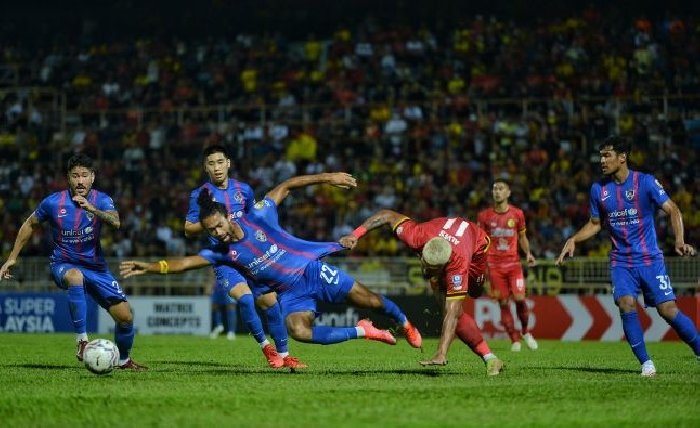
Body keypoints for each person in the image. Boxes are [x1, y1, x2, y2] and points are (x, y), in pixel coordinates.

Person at [121, 174, 423, 353]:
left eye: (218, 227)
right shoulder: (222, 253)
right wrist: (149, 266)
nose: (217, 233)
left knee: (370, 299)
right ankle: (364, 331)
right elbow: (185, 263)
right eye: (211, 231)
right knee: (300, 333)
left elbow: (287, 185)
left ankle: (405, 323)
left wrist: (328, 177)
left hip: (311, 271)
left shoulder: (259, 216)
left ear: (228, 217)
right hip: (290, 294)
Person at [556, 135, 699, 377]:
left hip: (650, 260)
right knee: (626, 303)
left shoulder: (646, 182)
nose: (602, 160)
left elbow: (673, 209)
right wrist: (573, 239)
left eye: (607, 155)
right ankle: (646, 363)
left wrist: (679, 240)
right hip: (621, 261)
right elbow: (595, 223)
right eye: (601, 156)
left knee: (667, 310)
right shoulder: (598, 189)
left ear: (622, 157)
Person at [0, 154, 146, 370]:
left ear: (92, 177)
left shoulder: (101, 199)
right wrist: (11, 258)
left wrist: (92, 210)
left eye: (85, 175)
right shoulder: (52, 202)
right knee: (75, 275)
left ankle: (123, 360)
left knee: (125, 318)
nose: (80, 181)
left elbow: (116, 222)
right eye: (75, 176)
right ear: (68, 178)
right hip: (63, 263)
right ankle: (82, 341)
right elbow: (29, 224)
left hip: (96, 267)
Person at [341, 210, 505, 376]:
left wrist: (441, 352)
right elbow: (386, 215)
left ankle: (486, 355)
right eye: (424, 262)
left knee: (473, 294)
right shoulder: (416, 236)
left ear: (444, 267)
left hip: (477, 246)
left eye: (431, 269)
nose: (425, 269)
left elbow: (452, 313)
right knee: (445, 305)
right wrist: (356, 234)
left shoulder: (458, 265)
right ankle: (490, 358)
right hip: (445, 238)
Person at [184, 144, 295, 367]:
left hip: (248, 256)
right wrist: (213, 223)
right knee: (244, 298)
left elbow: (254, 220)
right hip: (224, 259)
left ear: (228, 163)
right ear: (205, 168)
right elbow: (188, 228)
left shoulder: (243, 190)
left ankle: (286, 356)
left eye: (219, 162)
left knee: (270, 302)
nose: (216, 168)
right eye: (211, 163)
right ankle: (267, 349)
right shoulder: (200, 195)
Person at [477, 179, 538, 352]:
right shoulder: (484, 216)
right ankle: (514, 339)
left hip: (514, 264)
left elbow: (522, 237)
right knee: (503, 303)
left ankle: (526, 331)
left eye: (501, 188)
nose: (497, 191)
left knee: (520, 299)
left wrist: (528, 254)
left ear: (508, 192)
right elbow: (481, 241)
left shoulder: (517, 214)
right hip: (494, 266)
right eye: (494, 188)